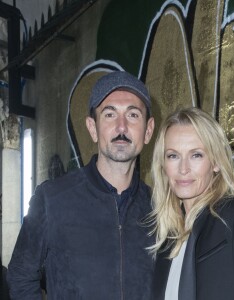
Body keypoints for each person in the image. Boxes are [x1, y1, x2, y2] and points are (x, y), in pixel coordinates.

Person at [7, 71, 155, 300]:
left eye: (133, 115)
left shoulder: (160, 208)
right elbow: (20, 275)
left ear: (148, 130)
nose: (122, 127)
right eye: (109, 114)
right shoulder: (52, 200)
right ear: (92, 128)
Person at [149, 107, 234, 300]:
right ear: (163, 164)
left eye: (196, 155)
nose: (183, 169)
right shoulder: (167, 239)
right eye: (173, 156)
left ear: (215, 162)